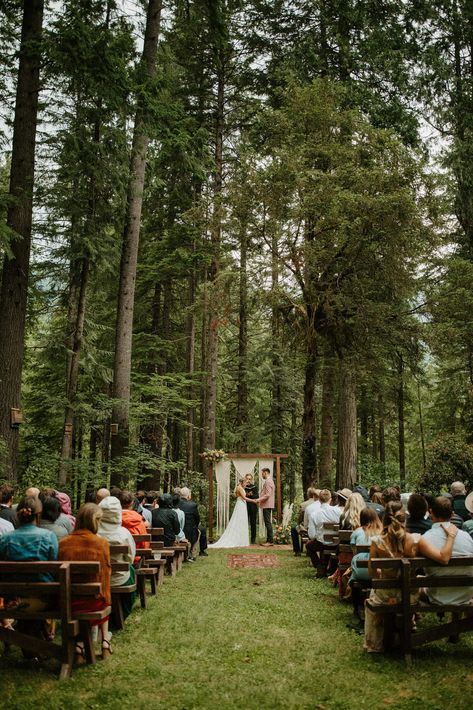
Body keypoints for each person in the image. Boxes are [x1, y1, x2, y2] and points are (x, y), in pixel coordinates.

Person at [59, 503, 112, 661]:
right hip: (93, 603)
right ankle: (105, 642)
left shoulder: (63, 543)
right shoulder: (101, 543)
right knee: (102, 598)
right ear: (96, 522)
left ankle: (79, 645)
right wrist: (107, 599)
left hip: (67, 602)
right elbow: (104, 577)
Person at [417, 496, 473, 605]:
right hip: (466, 595)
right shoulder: (467, 537)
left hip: (437, 596)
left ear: (431, 512)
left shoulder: (425, 539)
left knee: (416, 584)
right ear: (452, 515)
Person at [98, 496, 136, 623]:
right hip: (119, 578)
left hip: (98, 579)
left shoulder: (94, 531)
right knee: (131, 569)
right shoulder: (124, 533)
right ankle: (123, 612)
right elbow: (130, 558)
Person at [349, 508, 383, 622]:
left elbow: (354, 553)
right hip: (377, 572)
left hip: (360, 572)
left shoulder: (356, 532)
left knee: (353, 578)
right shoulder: (382, 532)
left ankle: (357, 607)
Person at [306, 489, 341, 577]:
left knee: (309, 546)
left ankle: (319, 566)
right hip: (336, 543)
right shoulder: (338, 512)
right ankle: (330, 568)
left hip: (321, 543)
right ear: (330, 499)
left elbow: (312, 535)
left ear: (319, 500)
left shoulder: (314, 514)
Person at [208, 478, 250, 548]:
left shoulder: (240, 487)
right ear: (242, 482)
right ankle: (238, 540)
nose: (246, 484)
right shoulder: (239, 488)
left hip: (242, 504)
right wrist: (254, 500)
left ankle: (241, 539)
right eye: (246, 483)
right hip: (241, 505)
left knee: (241, 521)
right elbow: (244, 498)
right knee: (239, 521)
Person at [119, 490, 149, 564]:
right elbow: (145, 545)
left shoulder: (112, 519)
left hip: (115, 558)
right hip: (135, 559)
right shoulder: (139, 520)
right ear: (132, 503)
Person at [248, 468, 275, 546]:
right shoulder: (269, 481)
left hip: (267, 504)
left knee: (267, 522)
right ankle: (269, 540)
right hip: (267, 504)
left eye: (262, 473)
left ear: (266, 473)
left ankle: (270, 541)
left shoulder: (268, 481)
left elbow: (268, 494)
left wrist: (258, 500)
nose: (262, 475)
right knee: (267, 522)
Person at [291, 487, 319, 556]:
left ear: (308, 494)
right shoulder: (320, 504)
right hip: (318, 528)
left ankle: (297, 551)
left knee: (293, 529)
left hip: (307, 529)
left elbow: (300, 519)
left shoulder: (304, 505)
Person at [178, 487, 202, 561]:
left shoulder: (176, 504)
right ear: (188, 496)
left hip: (178, 530)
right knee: (199, 532)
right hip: (189, 531)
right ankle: (192, 552)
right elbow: (197, 519)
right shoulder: (193, 505)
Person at [243, 473, 258, 545]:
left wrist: (251, 495)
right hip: (244, 506)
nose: (248, 480)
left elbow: (256, 496)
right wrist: (248, 494)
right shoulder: (243, 487)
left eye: (249, 479)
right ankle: (244, 538)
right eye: (247, 479)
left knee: (253, 523)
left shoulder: (254, 487)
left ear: (251, 480)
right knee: (244, 523)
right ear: (245, 479)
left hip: (253, 507)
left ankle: (253, 539)